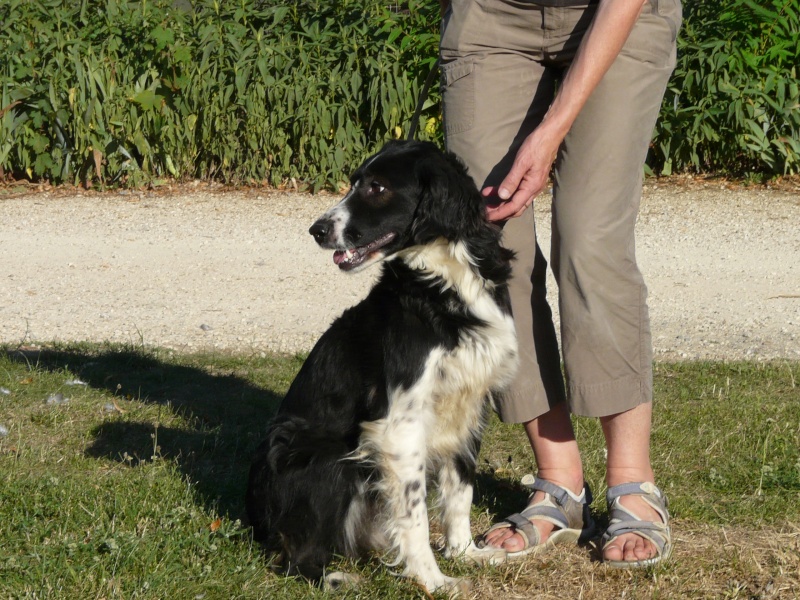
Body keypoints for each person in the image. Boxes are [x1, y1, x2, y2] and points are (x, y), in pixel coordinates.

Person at [439, 0, 681, 567]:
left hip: (618, 14)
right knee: (491, 250)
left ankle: (632, 483)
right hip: (492, 20)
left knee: (591, 242)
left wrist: (552, 130)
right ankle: (559, 483)